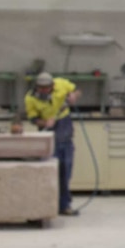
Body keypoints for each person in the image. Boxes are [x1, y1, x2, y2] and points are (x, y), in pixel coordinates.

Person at [24, 72, 81, 216]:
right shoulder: (30, 98)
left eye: (46, 88)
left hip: (64, 124)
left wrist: (74, 96)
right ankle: (48, 205)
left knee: (65, 169)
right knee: (50, 170)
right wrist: (44, 122)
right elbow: (32, 119)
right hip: (48, 131)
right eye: (40, 88)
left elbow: (77, 91)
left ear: (52, 86)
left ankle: (64, 205)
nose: (43, 91)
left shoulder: (61, 84)